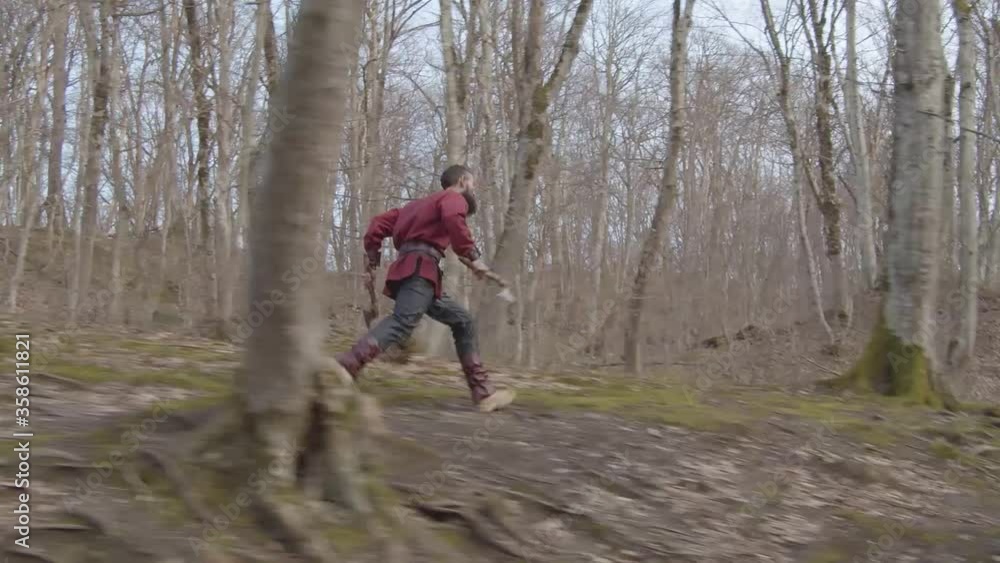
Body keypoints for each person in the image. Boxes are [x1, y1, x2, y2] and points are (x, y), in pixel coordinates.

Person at [335, 164, 516, 412]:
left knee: (463, 321)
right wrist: (473, 256)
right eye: (472, 184)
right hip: (420, 272)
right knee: (402, 322)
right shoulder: (454, 198)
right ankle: (346, 365)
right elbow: (454, 221)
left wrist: (373, 258)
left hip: (417, 274)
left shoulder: (412, 208)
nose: (472, 190)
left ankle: (483, 392)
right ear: (462, 181)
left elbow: (378, 224)